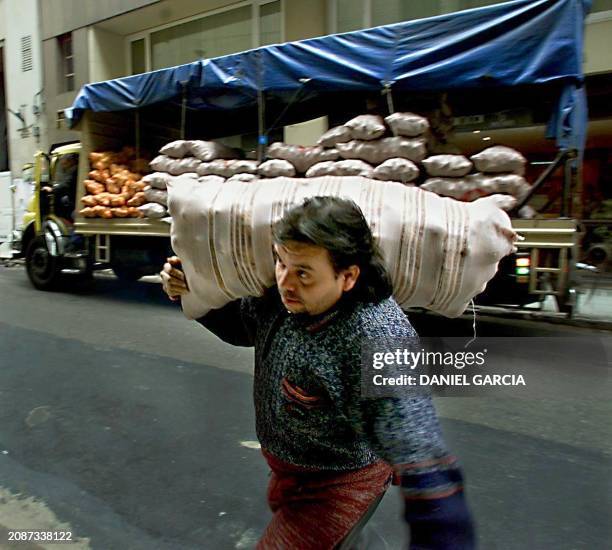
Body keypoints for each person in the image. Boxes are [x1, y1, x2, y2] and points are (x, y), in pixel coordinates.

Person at [161, 196, 475, 549]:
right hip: (292, 472)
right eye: (281, 263)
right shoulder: (282, 300)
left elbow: (414, 440)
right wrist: (192, 292)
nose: (286, 283)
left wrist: (442, 532)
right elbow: (242, 327)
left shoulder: (374, 336)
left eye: (303, 273)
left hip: (341, 484)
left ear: (348, 276)